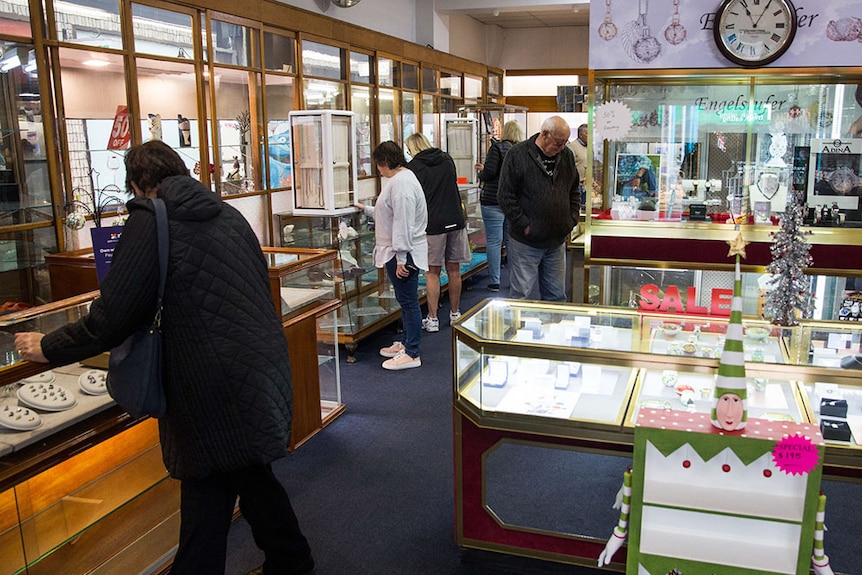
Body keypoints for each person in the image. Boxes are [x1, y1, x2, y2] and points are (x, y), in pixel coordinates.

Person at [14, 140, 314, 575]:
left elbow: (113, 316)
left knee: (210, 486)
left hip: (205, 383)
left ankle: (286, 560)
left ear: (137, 185)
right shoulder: (228, 214)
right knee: (245, 474)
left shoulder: (150, 221)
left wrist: (48, 346)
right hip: (257, 367)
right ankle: (293, 560)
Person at [355, 140, 427, 369]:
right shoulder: (400, 180)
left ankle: (412, 352)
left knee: (408, 301)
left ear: (385, 162)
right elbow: (389, 214)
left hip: (404, 253)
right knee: (406, 301)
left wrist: (401, 258)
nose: (378, 169)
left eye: (378, 164)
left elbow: (402, 223)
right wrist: (367, 209)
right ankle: (407, 344)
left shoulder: (401, 184)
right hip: (399, 251)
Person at [497, 115, 579, 302]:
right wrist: (524, 224)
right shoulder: (518, 154)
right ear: (544, 134)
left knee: (557, 296)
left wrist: (571, 219)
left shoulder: (566, 155)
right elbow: (505, 195)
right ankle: (518, 331)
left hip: (557, 240)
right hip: (525, 241)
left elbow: (574, 190)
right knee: (520, 296)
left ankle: (555, 330)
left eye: (565, 142)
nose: (561, 147)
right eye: (558, 143)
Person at [405, 132, 471, 332]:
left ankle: (432, 318)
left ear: (413, 149)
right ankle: (455, 313)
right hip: (455, 219)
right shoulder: (447, 159)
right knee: (454, 269)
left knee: (432, 272)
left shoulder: (413, 168)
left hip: (432, 223)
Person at [476, 120, 523, 292]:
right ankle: (515, 280)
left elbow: (489, 173)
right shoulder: (521, 151)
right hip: (511, 201)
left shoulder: (497, 148)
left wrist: (481, 172)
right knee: (511, 241)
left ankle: (494, 281)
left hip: (492, 200)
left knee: (494, 242)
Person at [567, 123, 588, 205]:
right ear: (580, 135)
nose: (590, 136)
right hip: (576, 185)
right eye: (587, 133)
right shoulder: (572, 147)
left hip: (587, 185)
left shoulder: (589, 148)